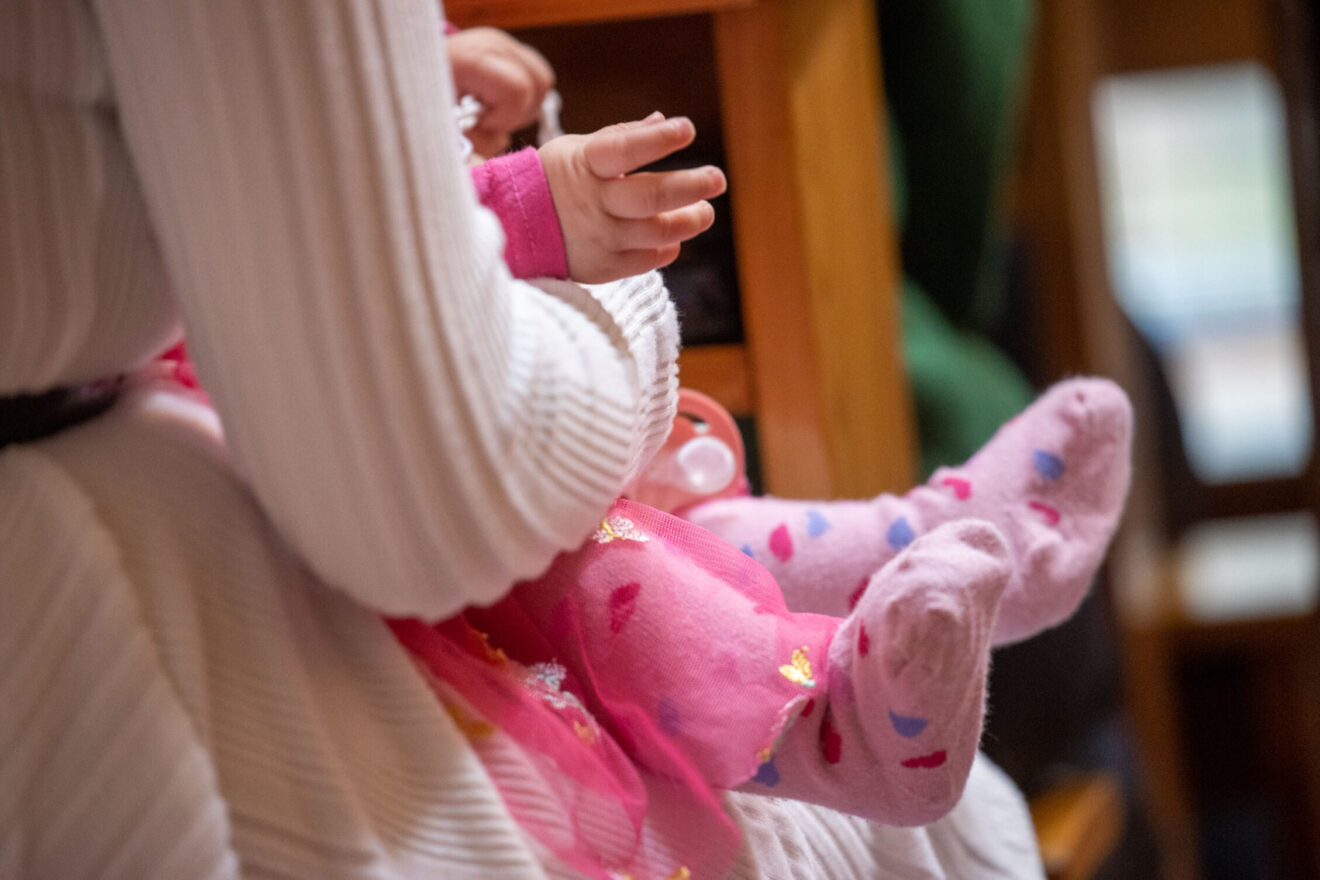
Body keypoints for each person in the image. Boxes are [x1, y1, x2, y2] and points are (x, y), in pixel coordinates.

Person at [0, 2, 1051, 878]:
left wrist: (419, 82)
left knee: (656, 518)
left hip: (224, 418)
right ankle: (826, 713)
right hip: (256, 446)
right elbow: (413, 402)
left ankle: (906, 534)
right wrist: (555, 231)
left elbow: (227, 135)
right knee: (602, 566)